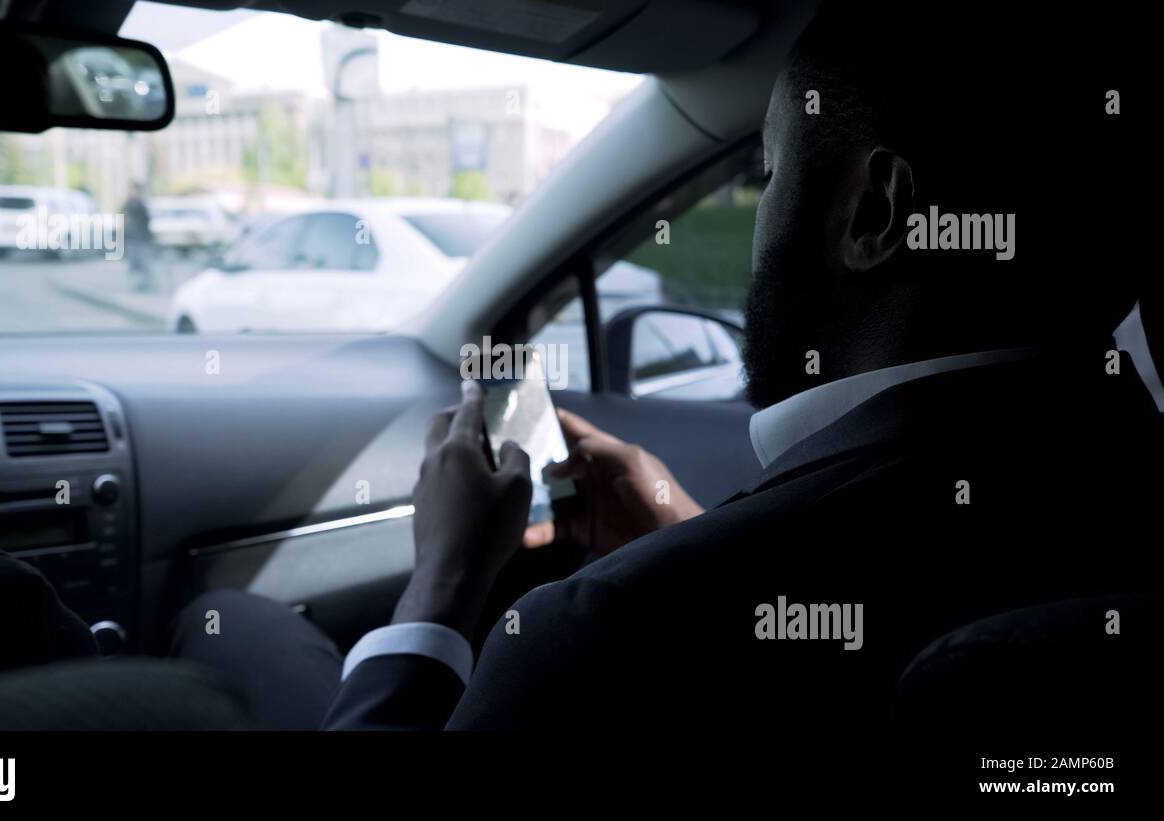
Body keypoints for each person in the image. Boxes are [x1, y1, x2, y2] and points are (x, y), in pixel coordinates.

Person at [320, 0, 1161, 742]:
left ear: (875, 212)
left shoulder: (598, 640)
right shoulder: (1128, 483)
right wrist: (686, 535)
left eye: (767, 171)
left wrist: (442, 582)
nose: (760, 215)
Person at [121, 182, 154, 292]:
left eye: (133, 190)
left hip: (141, 240)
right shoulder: (128, 204)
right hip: (131, 239)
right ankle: (137, 284)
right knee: (133, 263)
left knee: (143, 263)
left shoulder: (140, 205)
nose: (131, 192)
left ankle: (145, 285)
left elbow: (146, 220)